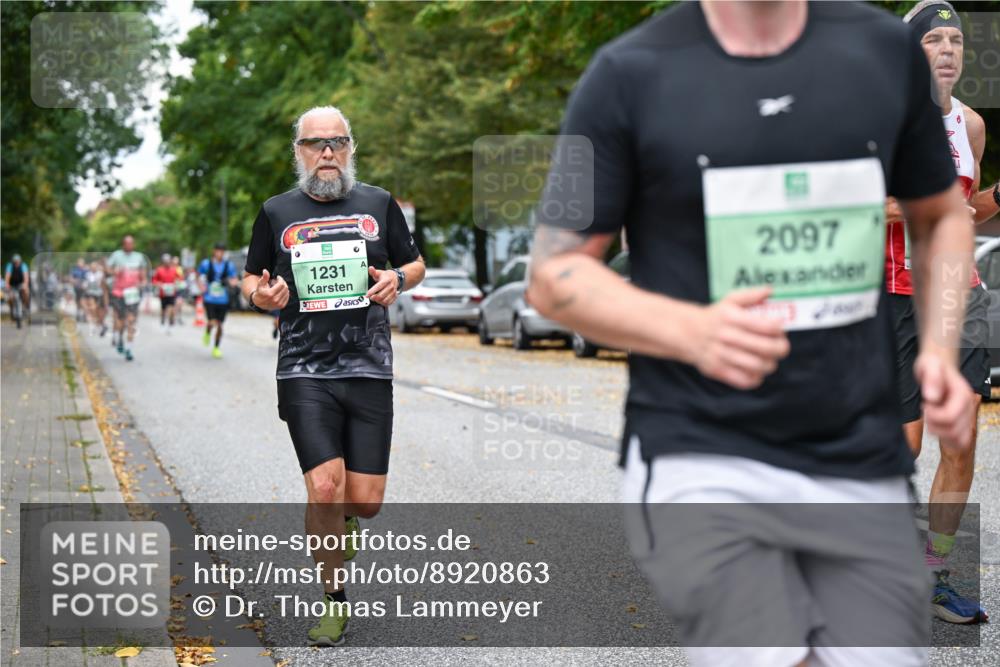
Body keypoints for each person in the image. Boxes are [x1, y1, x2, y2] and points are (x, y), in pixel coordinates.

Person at [526, 1, 976, 665]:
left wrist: (937, 350)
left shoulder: (882, 53)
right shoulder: (625, 74)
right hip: (701, 448)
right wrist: (692, 329)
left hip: (858, 453)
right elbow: (553, 271)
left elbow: (943, 216)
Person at [242, 105, 425, 646]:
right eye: (315, 143)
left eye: (337, 142)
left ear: (351, 148)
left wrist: (396, 277)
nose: (326, 152)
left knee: (363, 501)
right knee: (325, 488)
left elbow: (415, 264)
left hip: (369, 366)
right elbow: (250, 278)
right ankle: (332, 601)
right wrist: (260, 295)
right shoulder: (276, 211)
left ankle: (343, 519)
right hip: (303, 369)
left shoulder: (378, 203)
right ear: (297, 151)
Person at [884, 0, 991, 625]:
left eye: (955, 39)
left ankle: (934, 574)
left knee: (962, 432)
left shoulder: (971, 126)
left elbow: (972, 212)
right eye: (934, 40)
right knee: (905, 443)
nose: (948, 49)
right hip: (895, 290)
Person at [107, 235, 147, 361]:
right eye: (127, 243)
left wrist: (143, 282)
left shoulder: (139, 257)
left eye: (131, 243)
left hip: (133, 294)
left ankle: (129, 349)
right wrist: (114, 271)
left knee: (131, 321)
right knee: (120, 322)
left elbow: (143, 275)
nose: (129, 246)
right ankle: (119, 338)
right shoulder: (116, 255)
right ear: (123, 244)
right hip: (118, 292)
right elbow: (107, 269)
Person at [198, 243, 239, 358]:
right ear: (214, 251)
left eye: (222, 251)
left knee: (220, 325)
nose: (220, 253)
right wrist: (201, 286)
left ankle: (216, 348)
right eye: (218, 251)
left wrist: (232, 282)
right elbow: (199, 276)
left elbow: (234, 279)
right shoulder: (206, 264)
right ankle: (207, 331)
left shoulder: (228, 265)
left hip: (223, 300)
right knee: (212, 322)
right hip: (209, 298)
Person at [152, 253, 179, 332]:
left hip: (172, 292)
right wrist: (158, 284)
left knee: (171, 308)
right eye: (165, 261)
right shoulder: (159, 270)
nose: (167, 262)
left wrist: (177, 283)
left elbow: (179, 279)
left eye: (168, 260)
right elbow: (154, 280)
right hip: (163, 293)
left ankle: (170, 322)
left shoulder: (174, 269)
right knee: (163, 309)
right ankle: (163, 318)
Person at [83, 260, 109, 336]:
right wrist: (84, 286)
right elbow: (86, 283)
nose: (93, 268)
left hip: (99, 294)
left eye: (95, 267)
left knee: (99, 313)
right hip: (91, 294)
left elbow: (104, 286)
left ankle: (102, 326)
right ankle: (95, 325)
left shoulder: (100, 274)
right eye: (92, 267)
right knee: (93, 308)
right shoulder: (88, 274)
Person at [4, 254, 30, 328]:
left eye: (17, 262)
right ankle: (12, 310)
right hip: (12, 285)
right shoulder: (10, 266)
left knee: (26, 292)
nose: (16, 263)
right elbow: (7, 276)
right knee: (10, 297)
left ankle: (25, 306)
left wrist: (25, 285)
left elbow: (26, 276)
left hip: (21, 284)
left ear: (20, 261)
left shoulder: (23, 265)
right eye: (15, 262)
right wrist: (7, 284)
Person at [71, 257, 87, 322]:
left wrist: (84, 284)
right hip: (77, 288)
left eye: (81, 262)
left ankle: (84, 315)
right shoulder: (75, 270)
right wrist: (74, 281)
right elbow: (71, 278)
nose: (80, 264)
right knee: (77, 301)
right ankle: (78, 313)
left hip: (84, 289)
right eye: (79, 262)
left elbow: (88, 279)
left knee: (82, 301)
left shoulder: (86, 270)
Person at [172, 256, 186, 324]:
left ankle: (178, 317)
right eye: (174, 261)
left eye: (176, 261)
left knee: (179, 303)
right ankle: (173, 317)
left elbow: (181, 277)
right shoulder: (171, 269)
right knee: (174, 304)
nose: (175, 262)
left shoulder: (179, 268)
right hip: (173, 288)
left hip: (180, 288)